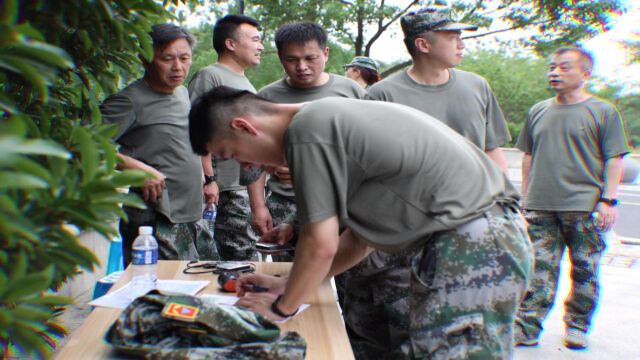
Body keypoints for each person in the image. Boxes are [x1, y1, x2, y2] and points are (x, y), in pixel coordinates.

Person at [189, 86, 534, 359]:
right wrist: (289, 284)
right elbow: (358, 240)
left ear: (244, 126)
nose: (248, 165)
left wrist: (280, 310)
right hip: (477, 239)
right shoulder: (326, 122)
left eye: (232, 154)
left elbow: (320, 243)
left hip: (472, 243)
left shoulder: (309, 131)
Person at [343, 7, 514, 358]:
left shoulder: (476, 86)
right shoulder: (383, 96)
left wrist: (511, 209)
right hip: (404, 234)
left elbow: (492, 151)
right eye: (451, 36)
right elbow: (364, 172)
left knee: (458, 334)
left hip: (465, 231)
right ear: (423, 43)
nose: (460, 43)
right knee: (388, 331)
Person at [514, 47, 629, 349]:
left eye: (564, 68)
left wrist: (609, 200)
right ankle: (526, 327)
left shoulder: (603, 112)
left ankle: (577, 326)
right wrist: (526, 197)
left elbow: (614, 159)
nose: (554, 72)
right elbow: (527, 156)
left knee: (584, 271)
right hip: (541, 207)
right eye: (552, 67)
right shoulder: (538, 110)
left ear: (585, 73)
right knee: (538, 270)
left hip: (584, 207)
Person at [246, 21, 366, 261]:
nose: (301, 67)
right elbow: (253, 159)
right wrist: (258, 206)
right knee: (288, 273)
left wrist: (310, 170)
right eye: (292, 59)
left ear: (326, 53)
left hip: (342, 202)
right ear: (280, 57)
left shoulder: (352, 92)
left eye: (310, 58)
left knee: (346, 273)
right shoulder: (266, 98)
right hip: (286, 201)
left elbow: (365, 150)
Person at [101, 24, 216, 266]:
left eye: (184, 58)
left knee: (198, 288)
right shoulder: (129, 101)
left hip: (191, 214)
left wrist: (207, 179)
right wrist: (137, 168)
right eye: (167, 59)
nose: (178, 67)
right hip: (155, 218)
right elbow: (85, 144)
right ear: (146, 59)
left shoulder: (182, 93)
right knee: (160, 295)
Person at [188, 14, 264, 261]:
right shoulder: (210, 76)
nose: (260, 46)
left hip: (242, 185)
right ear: (231, 44)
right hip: (224, 188)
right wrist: (209, 177)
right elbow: (196, 130)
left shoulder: (245, 82)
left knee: (245, 258)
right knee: (239, 258)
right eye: (254, 39)